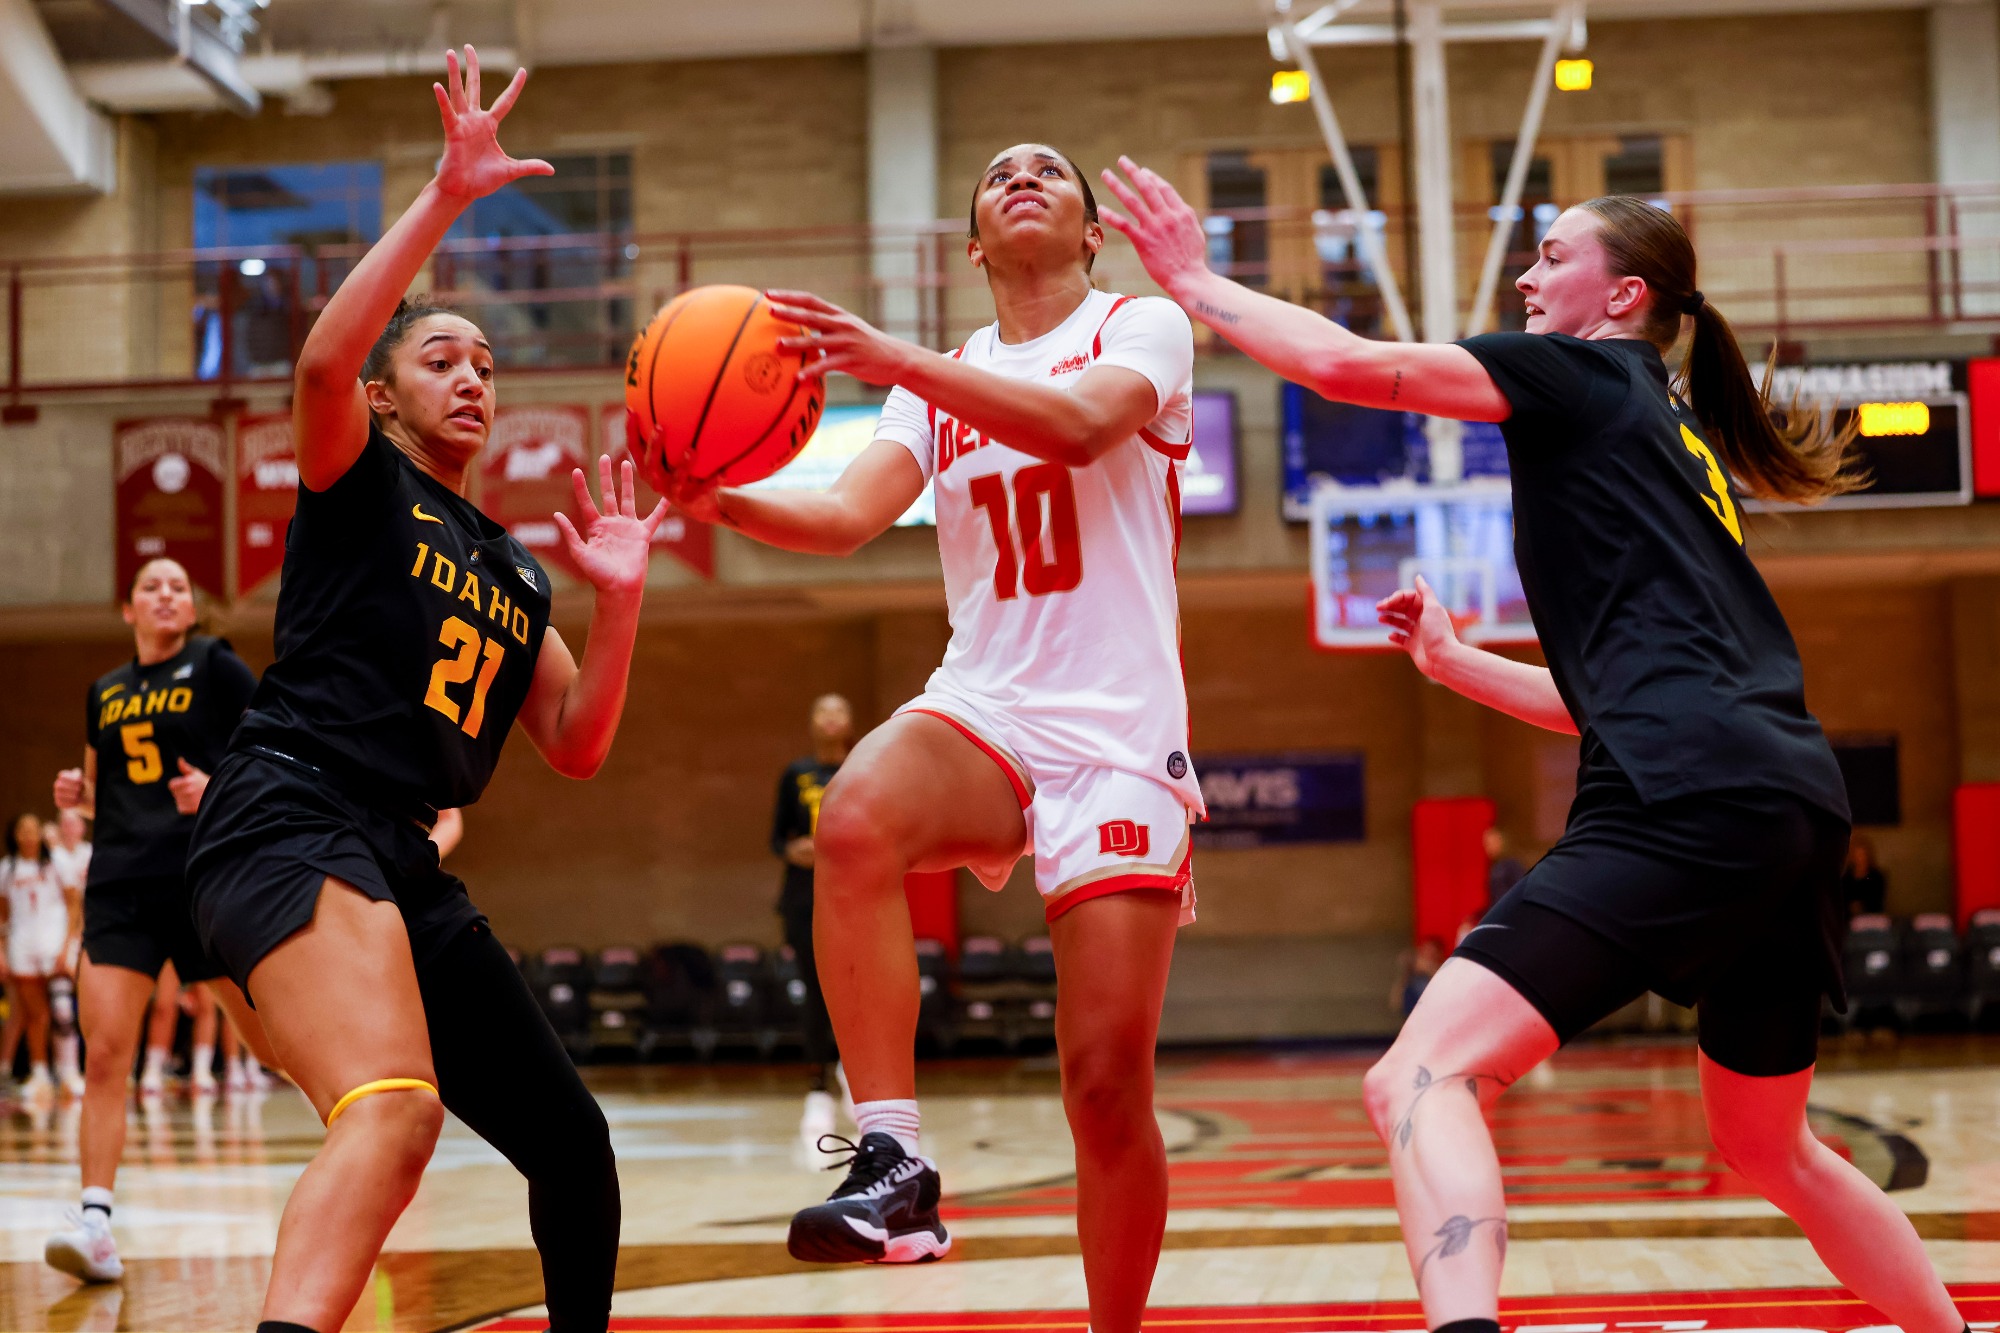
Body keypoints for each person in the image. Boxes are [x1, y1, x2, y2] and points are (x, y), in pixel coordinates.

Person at [1098, 160, 1965, 1333]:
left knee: (1415, 1074)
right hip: (1785, 797)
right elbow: (1621, 698)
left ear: (1623, 298)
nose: (1526, 270)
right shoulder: (1676, 439)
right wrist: (1455, 665)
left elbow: (1361, 369)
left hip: (1682, 797)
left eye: (1553, 254)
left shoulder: (1580, 375)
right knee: (1770, 1144)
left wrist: (1196, 280)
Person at [666, 142, 1201, 1333]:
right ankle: (894, 1162)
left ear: (1089, 231)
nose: (1022, 177)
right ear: (971, 243)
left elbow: (1073, 428)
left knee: (1104, 1086)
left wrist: (892, 353)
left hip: (1115, 733)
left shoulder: (1143, 326)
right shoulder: (935, 382)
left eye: (1050, 173)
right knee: (849, 814)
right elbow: (848, 514)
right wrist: (720, 503)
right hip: (988, 702)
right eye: (998, 174)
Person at [183, 47, 662, 1333]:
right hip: (288, 812)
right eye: (443, 358)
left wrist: (618, 601)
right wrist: (448, 197)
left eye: (487, 366)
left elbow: (574, 741)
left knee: (574, 1147)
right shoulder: (359, 484)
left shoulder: (511, 567)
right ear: (391, 396)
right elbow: (320, 369)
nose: (472, 377)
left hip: (399, 856)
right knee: (394, 1112)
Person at [44, 556, 275, 1283]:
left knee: (271, 1041)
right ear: (129, 609)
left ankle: (363, 1134)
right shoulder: (104, 691)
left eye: (180, 584)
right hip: (118, 883)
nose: (168, 593)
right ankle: (96, 1223)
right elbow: (102, 794)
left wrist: (217, 786)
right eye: (152, 585)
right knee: (107, 1053)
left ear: (190, 606)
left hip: (203, 878)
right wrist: (76, 794)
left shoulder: (216, 664)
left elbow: (276, 751)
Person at [771, 693, 854, 1146]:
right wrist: (793, 850)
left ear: (849, 721)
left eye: (838, 710)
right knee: (814, 986)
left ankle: (853, 1068)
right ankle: (817, 1079)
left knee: (852, 985)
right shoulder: (796, 774)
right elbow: (776, 838)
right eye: (821, 709)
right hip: (803, 898)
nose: (830, 718)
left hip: (849, 896)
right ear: (812, 721)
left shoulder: (861, 768)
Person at [1, 813, 79, 1101]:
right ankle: (40, 1073)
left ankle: (70, 1073)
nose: (29, 835)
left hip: (54, 941)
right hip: (23, 945)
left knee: (62, 1012)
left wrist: (67, 945)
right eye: (23, 830)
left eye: (35, 829)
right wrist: (2, 953)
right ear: (15, 835)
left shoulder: (58, 862)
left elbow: (74, 905)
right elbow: (3, 916)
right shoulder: (7, 869)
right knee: (35, 1016)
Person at [1840, 834, 1887, 919]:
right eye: (1857, 856)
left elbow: (1878, 900)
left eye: (1862, 855)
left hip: (1872, 919)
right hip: (1849, 921)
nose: (1860, 859)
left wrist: (1862, 906)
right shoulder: (1846, 877)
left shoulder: (1876, 876)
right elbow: (1841, 901)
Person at [1482, 827, 1525, 910]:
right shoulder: (1494, 866)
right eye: (1486, 844)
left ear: (1500, 842)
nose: (1488, 848)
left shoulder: (1511, 864)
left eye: (1490, 843)